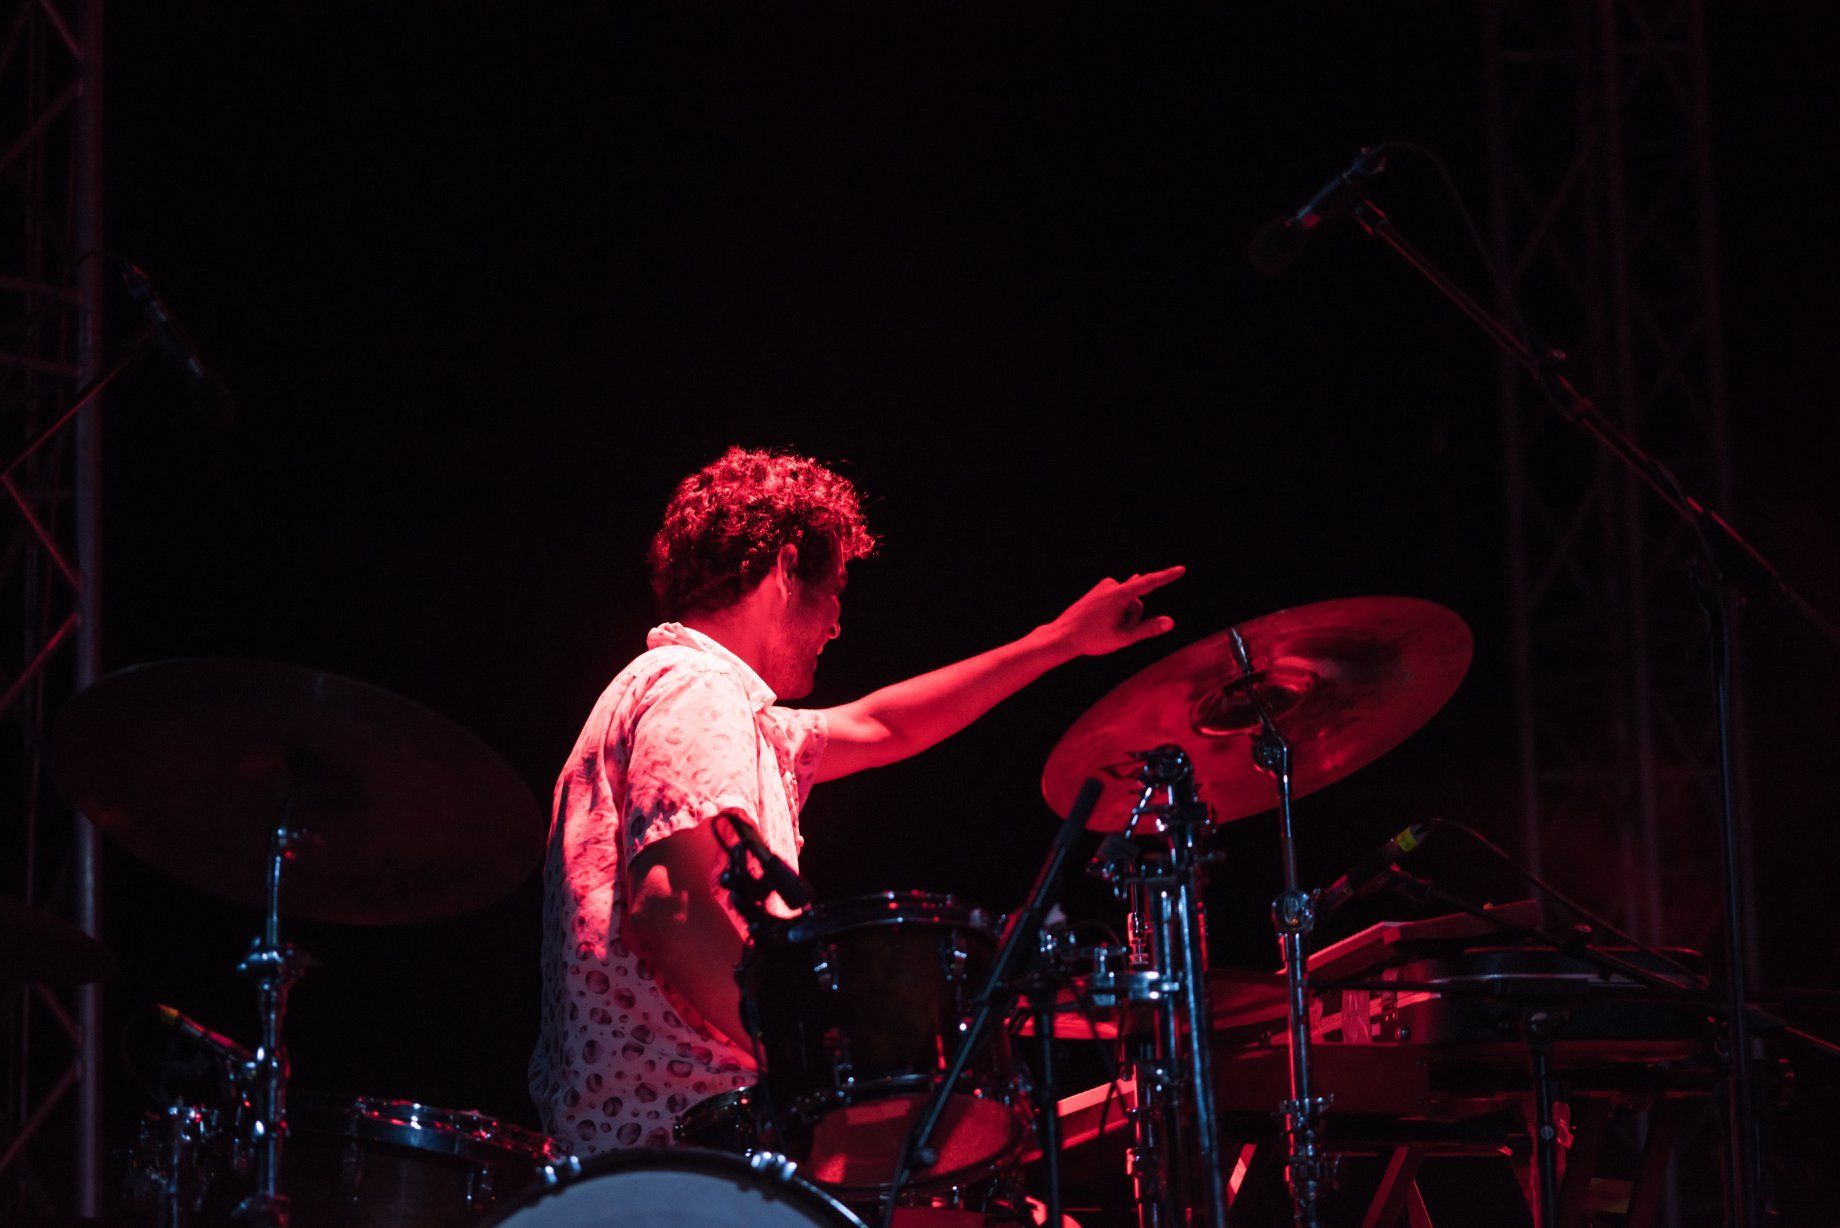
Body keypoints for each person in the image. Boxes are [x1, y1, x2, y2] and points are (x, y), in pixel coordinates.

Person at [528, 446, 1182, 1154]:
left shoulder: (701, 703)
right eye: (836, 588)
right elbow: (673, 906)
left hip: (662, 1146)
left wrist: (1059, 641)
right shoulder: (695, 689)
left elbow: (884, 725)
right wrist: (817, 1066)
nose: (838, 623)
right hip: (686, 1149)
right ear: (786, 569)